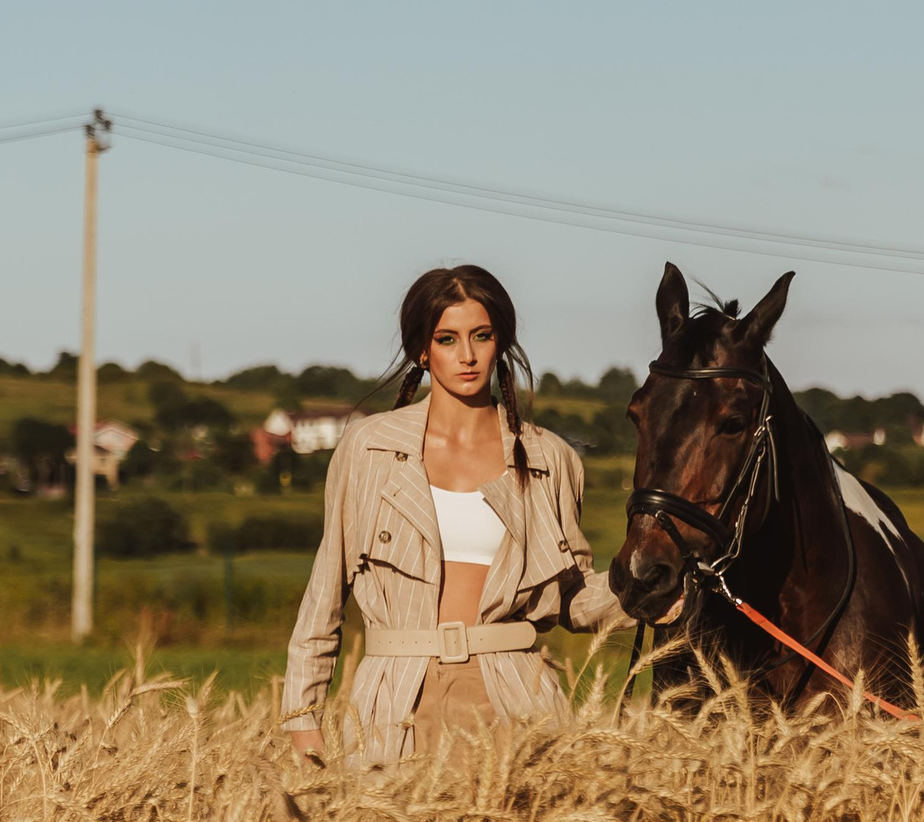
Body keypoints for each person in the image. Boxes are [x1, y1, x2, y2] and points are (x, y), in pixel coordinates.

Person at [283, 264, 663, 763]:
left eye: (481, 336)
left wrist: (651, 584)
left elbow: (570, 598)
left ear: (499, 342)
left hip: (517, 700)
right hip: (392, 704)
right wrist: (302, 715)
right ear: (422, 351)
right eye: (447, 339)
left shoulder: (550, 458)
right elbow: (325, 591)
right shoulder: (368, 448)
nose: (467, 355)